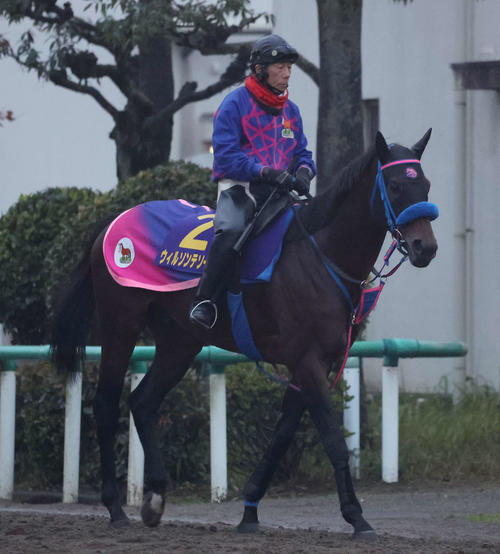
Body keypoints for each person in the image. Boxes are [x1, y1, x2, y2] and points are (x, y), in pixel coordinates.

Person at [189, 34, 316, 329]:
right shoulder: (233, 105)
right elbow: (226, 158)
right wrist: (266, 172)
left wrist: (305, 172)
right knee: (232, 230)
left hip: (281, 193)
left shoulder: (292, 112)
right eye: (280, 66)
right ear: (260, 69)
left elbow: (302, 154)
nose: (287, 73)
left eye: (289, 68)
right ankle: (204, 301)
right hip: (240, 189)